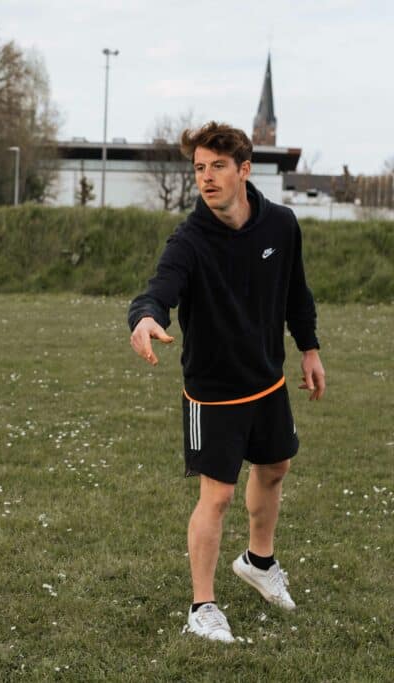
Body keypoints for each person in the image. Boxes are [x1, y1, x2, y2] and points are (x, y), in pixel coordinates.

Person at [127, 121, 325, 643]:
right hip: (213, 392)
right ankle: (202, 607)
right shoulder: (189, 240)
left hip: (267, 381)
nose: (207, 177)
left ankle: (258, 562)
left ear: (244, 169)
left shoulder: (281, 225)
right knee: (217, 497)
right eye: (199, 168)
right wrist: (146, 318)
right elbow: (159, 290)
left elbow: (296, 293)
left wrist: (309, 349)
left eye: (217, 166)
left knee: (275, 466)